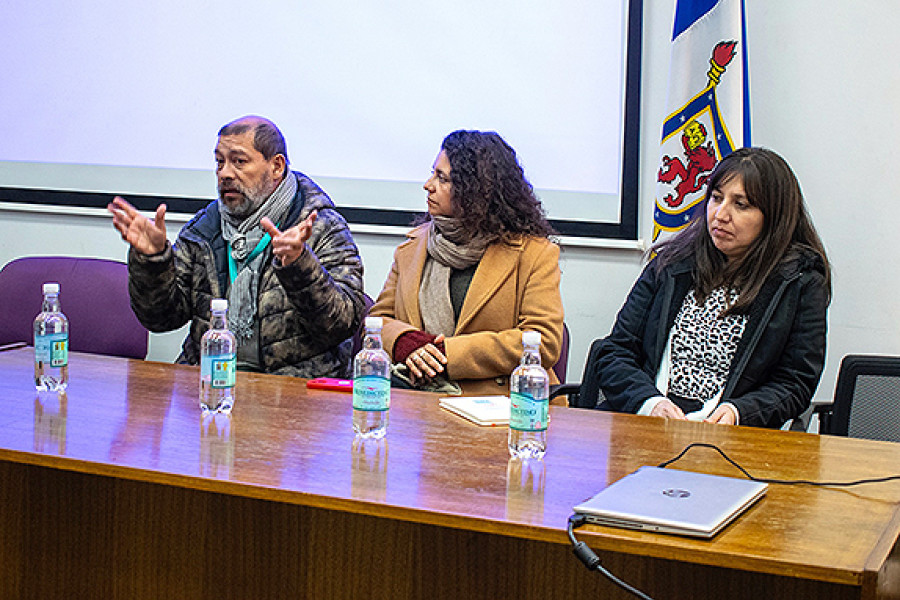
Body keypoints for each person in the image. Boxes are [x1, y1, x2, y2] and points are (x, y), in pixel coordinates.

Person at [108, 115, 365, 377]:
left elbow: (342, 323)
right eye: (219, 161)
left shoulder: (320, 225)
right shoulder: (204, 229)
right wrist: (154, 261)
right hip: (210, 381)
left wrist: (299, 265)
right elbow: (160, 319)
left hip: (293, 390)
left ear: (277, 166)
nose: (225, 173)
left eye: (239, 161)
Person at [595, 147, 831, 428]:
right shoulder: (671, 265)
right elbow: (615, 353)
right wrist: (650, 402)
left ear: (774, 217)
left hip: (731, 438)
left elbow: (795, 382)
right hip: (649, 426)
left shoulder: (799, 281)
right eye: (716, 198)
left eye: (740, 205)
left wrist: (738, 412)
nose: (720, 214)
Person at [369, 129, 564, 396]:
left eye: (442, 179)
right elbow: (378, 319)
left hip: (500, 407)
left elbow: (543, 342)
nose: (428, 185)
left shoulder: (534, 254)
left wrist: (449, 355)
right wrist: (404, 341)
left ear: (475, 193)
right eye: (433, 173)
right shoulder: (412, 247)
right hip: (415, 400)